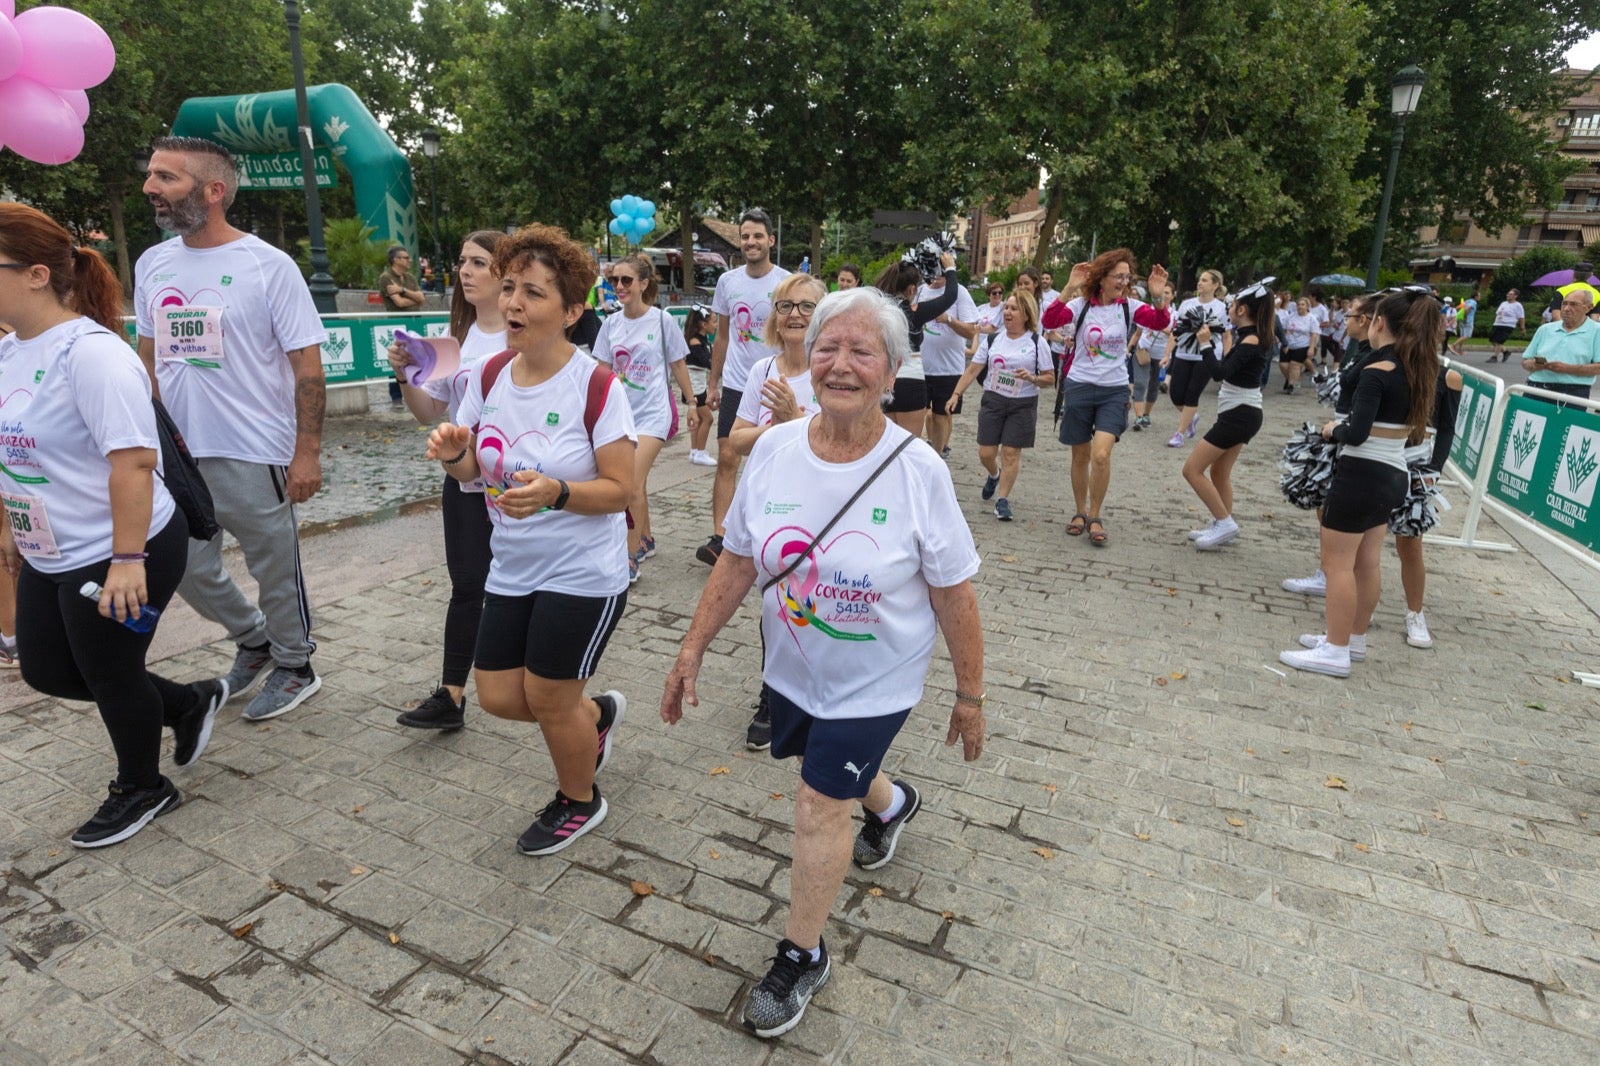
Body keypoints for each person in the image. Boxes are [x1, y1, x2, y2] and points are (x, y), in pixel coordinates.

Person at [659, 286, 984, 1039]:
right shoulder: (774, 449)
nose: (840, 364)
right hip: (793, 669)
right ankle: (892, 804)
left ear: (893, 370)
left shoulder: (917, 470)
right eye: (828, 348)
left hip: (878, 679)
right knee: (824, 768)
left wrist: (970, 695)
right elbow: (739, 558)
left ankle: (801, 954)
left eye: (861, 351)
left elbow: (955, 592)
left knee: (816, 801)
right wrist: (691, 647)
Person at [0, 203, 230, 847]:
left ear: (36, 274)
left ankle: (143, 786)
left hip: (124, 546)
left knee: (110, 672)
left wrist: (126, 561)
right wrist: (8, 527)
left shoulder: (92, 355)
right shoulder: (10, 351)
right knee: (46, 669)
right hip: (50, 545)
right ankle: (187, 703)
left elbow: (132, 462)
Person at [427, 223, 636, 855]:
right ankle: (591, 718)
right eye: (511, 287)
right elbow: (471, 475)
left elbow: (621, 490)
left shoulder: (597, 386)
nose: (514, 303)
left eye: (534, 294)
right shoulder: (487, 376)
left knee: (547, 695)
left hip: (583, 572)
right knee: (496, 696)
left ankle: (579, 798)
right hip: (511, 567)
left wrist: (557, 492)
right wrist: (452, 454)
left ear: (572, 310)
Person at [135, 136, 327, 722]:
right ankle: (254, 639)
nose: (150, 188)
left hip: (255, 450)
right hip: (179, 456)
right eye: (152, 176)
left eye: (167, 178)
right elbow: (147, 362)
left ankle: (296, 664)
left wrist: (307, 453)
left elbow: (308, 368)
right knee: (186, 565)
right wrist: (149, 443)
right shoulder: (152, 264)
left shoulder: (268, 266)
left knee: (274, 567)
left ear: (213, 191)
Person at [1280, 288, 1441, 677]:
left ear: (1379, 323)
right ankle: (1351, 639)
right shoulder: (1417, 367)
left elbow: (1357, 433)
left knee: (1338, 566)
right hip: (1393, 475)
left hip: (1361, 474)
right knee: (1367, 562)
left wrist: (1333, 429)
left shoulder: (1376, 371)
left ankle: (1335, 649)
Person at [385, 231, 507, 731]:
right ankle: (452, 695)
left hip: (518, 483)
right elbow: (429, 412)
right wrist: (405, 376)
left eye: (479, 262)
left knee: (523, 585)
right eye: (462, 262)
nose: (466, 271)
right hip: (462, 479)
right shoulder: (454, 339)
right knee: (467, 586)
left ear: (505, 273)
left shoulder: (523, 335)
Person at [1042, 249, 1171, 546]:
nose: (1124, 282)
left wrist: (1157, 295)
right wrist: (1070, 287)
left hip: (1114, 389)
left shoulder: (1130, 307)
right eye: (1118, 277)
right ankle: (1080, 511)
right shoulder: (1080, 305)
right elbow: (1050, 321)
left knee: (1101, 454)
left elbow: (1160, 321)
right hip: (1079, 386)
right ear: (1102, 277)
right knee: (1080, 454)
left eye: (1127, 277)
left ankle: (1095, 515)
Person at [592, 253, 697, 582]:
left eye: (625, 280)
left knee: (630, 483)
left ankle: (629, 554)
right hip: (622, 416)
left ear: (643, 284)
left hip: (655, 413)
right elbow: (603, 373)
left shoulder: (662, 321)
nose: (619, 287)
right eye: (614, 281)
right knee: (638, 483)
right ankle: (647, 538)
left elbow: (678, 364)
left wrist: (693, 403)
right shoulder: (610, 324)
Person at [702, 208, 790, 565]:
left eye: (757, 236)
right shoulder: (728, 282)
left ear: (771, 240)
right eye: (745, 236)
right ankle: (720, 538)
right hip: (738, 384)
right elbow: (722, 336)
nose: (750, 242)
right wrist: (712, 383)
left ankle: (774, 532)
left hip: (775, 382)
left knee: (775, 460)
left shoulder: (785, 283)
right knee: (727, 456)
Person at [1283, 291, 1382, 597]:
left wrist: (1337, 431)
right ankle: (1329, 572)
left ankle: (1333, 575)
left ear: (1364, 320)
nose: (1345, 321)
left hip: (1351, 441)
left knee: (1337, 513)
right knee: (1327, 508)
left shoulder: (1372, 358)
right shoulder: (1363, 352)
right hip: (1342, 435)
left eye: (1350, 315)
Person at [1182, 279, 1274, 550]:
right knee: (1220, 472)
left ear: (1243, 310)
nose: (1229, 309)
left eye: (1232, 305)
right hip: (1239, 413)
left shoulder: (1252, 338)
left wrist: (1205, 345)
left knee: (1192, 470)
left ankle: (1224, 522)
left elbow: (1220, 373)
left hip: (1240, 415)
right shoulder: (1248, 336)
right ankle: (1223, 524)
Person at [946, 291, 1054, 520]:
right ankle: (994, 474)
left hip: (1022, 404)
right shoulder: (994, 340)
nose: (1007, 312)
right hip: (994, 400)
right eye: (1006, 308)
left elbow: (1049, 378)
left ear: (1026, 314)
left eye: (1014, 309)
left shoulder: (1037, 342)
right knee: (986, 453)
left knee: (1011, 452)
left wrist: (1032, 378)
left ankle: (1002, 500)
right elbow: (973, 369)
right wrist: (956, 394)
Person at [1392, 361, 1463, 650]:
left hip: (1418, 461)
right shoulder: (1384, 363)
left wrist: (1434, 470)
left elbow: (1447, 428)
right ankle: (1360, 606)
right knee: (1362, 540)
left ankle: (1415, 614)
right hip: (1375, 456)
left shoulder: (1448, 377)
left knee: (1410, 543)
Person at [728, 273, 827, 459]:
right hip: (766, 484)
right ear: (776, 321)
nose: (794, 314)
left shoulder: (831, 373)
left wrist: (794, 417)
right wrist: (773, 428)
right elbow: (736, 441)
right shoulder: (763, 370)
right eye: (786, 306)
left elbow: (838, 444)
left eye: (806, 306)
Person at [873, 254, 960, 436]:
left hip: (884, 378)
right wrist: (950, 268)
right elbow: (950, 296)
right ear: (911, 289)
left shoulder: (878, 310)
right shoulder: (915, 312)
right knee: (907, 447)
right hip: (911, 380)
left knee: (884, 443)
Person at [919, 270, 981, 459]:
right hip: (918, 366)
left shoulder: (958, 292)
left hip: (947, 368)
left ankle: (938, 457)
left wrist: (948, 319)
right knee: (917, 414)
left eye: (941, 270)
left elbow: (971, 332)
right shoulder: (920, 290)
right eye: (933, 269)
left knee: (941, 415)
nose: (937, 274)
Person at [1166, 269, 1230, 446]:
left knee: (1192, 395)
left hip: (1207, 356)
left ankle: (1179, 434)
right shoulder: (1187, 304)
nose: (1199, 283)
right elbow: (1175, 332)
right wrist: (1167, 355)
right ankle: (1192, 417)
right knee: (1176, 395)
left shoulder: (1221, 307)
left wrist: (1226, 357)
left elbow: (1227, 335)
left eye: (1204, 280)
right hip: (1183, 353)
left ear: (1215, 285)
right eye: (1199, 280)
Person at [1521, 288, 1600, 403]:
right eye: (1564, 304)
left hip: (1572, 393)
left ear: (1588, 307)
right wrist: (1535, 365)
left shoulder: (1596, 331)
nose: (1567, 309)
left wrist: (1566, 368)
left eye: (1573, 304)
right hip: (1536, 388)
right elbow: (1525, 361)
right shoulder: (1545, 329)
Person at [378, 246, 427, 408]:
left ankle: (419, 393)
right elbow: (398, 303)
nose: (409, 260)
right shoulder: (386, 277)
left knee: (417, 358)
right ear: (396, 260)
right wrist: (413, 299)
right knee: (397, 359)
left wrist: (402, 290)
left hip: (414, 322)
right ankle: (396, 396)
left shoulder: (410, 278)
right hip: (397, 324)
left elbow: (422, 298)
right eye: (406, 257)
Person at [1130, 284, 1172, 430]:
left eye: (1167, 292)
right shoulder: (1148, 310)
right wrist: (1128, 348)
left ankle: (1147, 414)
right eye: (1162, 292)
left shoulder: (1175, 314)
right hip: (1143, 351)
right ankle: (1138, 417)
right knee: (1140, 383)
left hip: (1160, 356)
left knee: (1153, 386)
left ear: (1172, 296)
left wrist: (1167, 355)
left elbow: (1174, 336)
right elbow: (1138, 332)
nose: (1164, 295)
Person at [683, 306, 717, 466]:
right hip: (694, 385)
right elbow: (707, 362)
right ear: (704, 324)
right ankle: (700, 452)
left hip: (699, 383)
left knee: (698, 419)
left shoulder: (702, 340)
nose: (715, 325)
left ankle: (695, 451)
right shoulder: (694, 341)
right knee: (707, 418)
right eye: (714, 322)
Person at [1278, 296, 1319, 394]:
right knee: (1283, 365)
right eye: (1298, 304)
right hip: (1289, 344)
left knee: (1294, 365)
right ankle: (1291, 379)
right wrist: (1282, 342)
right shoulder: (1291, 316)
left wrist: (1311, 348)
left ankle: (1291, 385)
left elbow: (1314, 334)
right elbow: (1284, 329)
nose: (1300, 307)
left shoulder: (1311, 319)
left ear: (1307, 306)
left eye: (1302, 305)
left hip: (1303, 345)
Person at [1490, 289, 1525, 363]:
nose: (1508, 295)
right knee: (1492, 340)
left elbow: (1521, 317)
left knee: (1499, 341)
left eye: (1510, 294)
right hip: (1498, 323)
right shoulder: (1503, 303)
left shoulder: (1518, 305)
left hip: (1508, 325)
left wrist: (1522, 328)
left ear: (1516, 296)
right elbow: (1498, 313)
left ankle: (1495, 357)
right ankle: (1506, 351)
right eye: (1508, 293)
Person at [1451, 290, 1478, 357]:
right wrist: (1465, 318)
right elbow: (1466, 309)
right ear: (1476, 296)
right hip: (1467, 321)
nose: (1480, 297)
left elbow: (1457, 307)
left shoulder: (1467, 301)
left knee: (1462, 336)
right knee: (1467, 336)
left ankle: (1459, 350)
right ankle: (1453, 345)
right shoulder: (1474, 302)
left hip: (1461, 320)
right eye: (1479, 295)